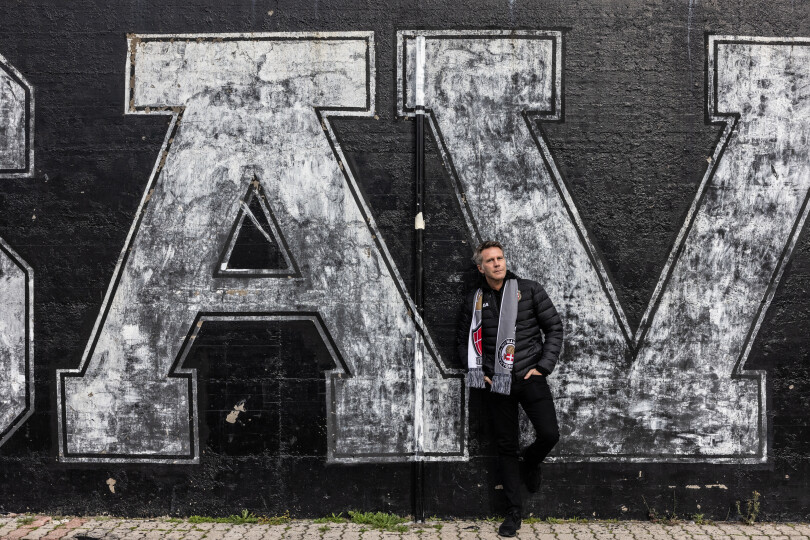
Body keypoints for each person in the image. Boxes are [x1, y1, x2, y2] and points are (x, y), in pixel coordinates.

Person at [456, 240, 564, 537]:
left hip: (530, 377)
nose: (497, 263)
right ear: (481, 267)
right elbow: (463, 342)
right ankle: (514, 515)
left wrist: (542, 367)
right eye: (490, 261)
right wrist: (479, 373)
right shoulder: (475, 300)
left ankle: (529, 463)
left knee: (549, 434)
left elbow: (554, 327)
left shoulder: (529, 290)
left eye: (500, 258)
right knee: (505, 447)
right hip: (497, 384)